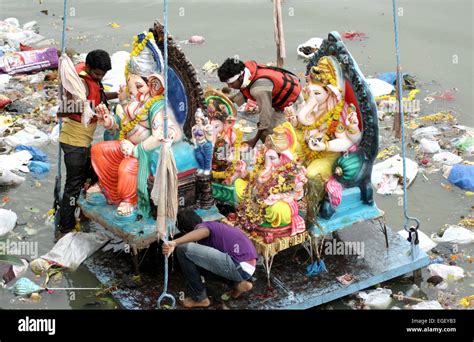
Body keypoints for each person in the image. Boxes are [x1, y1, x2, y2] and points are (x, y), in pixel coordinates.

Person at [57, 49, 117, 236]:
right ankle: (65, 228)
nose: (100, 77)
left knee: (93, 175)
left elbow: (100, 96)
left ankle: (83, 214)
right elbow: (64, 108)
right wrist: (90, 107)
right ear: (88, 67)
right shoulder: (78, 83)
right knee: (73, 186)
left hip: (84, 141)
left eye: (103, 75)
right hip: (74, 141)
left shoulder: (92, 79)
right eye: (97, 74)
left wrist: (119, 95)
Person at [162, 209, 258, 308]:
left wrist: (175, 242)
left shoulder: (204, 228)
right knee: (202, 260)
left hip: (237, 265)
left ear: (185, 232)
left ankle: (200, 299)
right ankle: (240, 284)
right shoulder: (216, 226)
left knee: (182, 250)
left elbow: (203, 232)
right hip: (248, 267)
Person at [217, 57, 303, 147]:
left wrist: (254, 140)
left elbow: (265, 116)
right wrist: (225, 101)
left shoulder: (258, 89)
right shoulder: (246, 70)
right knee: (264, 129)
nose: (229, 87)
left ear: (241, 77)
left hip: (291, 102)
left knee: (269, 135)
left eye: (231, 83)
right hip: (278, 91)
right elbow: (245, 91)